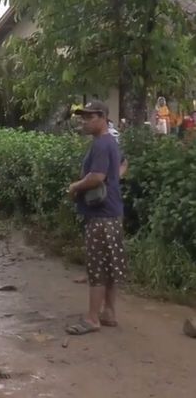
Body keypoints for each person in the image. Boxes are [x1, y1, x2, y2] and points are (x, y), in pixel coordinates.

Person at [66, 101, 126, 335]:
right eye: (83, 117)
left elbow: (97, 176)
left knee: (97, 268)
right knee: (110, 265)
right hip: (112, 212)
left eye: (88, 117)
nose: (84, 121)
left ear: (102, 117)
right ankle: (109, 312)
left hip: (100, 215)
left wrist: (75, 186)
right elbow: (121, 167)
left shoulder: (102, 144)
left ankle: (93, 318)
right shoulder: (110, 141)